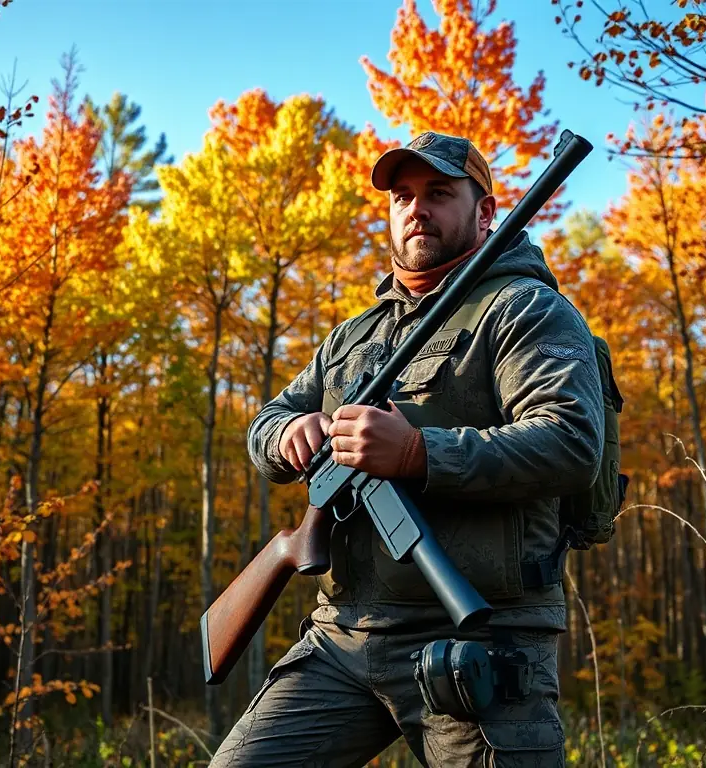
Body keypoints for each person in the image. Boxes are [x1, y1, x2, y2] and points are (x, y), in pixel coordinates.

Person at [210, 131, 605, 767]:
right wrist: (288, 436)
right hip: (343, 637)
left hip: (481, 637)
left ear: (484, 214)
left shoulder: (526, 310)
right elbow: (268, 421)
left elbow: (570, 443)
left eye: (439, 193)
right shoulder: (353, 337)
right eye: (402, 196)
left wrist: (419, 452)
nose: (416, 208)